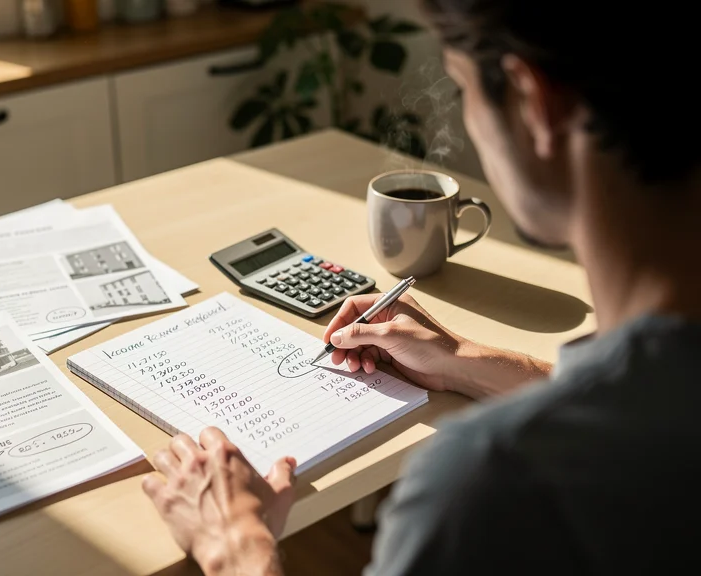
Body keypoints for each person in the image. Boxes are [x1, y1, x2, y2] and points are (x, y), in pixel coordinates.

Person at [139, 0, 701, 574]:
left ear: (536, 104)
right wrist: (463, 359)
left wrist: (236, 548)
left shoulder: (486, 483)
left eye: (460, 88)